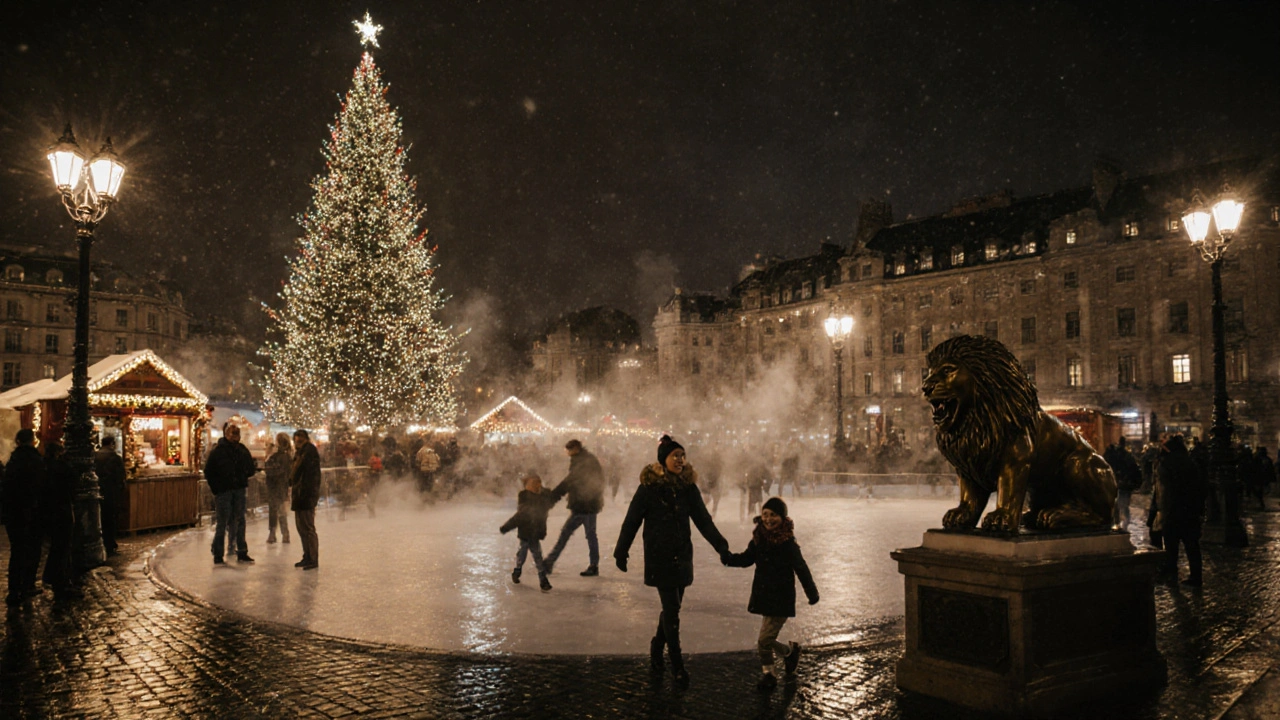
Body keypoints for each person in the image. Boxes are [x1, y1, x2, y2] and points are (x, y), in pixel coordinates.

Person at [615, 435, 730, 689]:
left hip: (682, 555)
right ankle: (676, 664)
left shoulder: (688, 487)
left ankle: (657, 645)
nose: (680, 460)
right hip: (659, 557)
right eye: (674, 455)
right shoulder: (649, 487)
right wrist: (621, 551)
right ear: (663, 459)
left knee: (672, 608)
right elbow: (632, 519)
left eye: (682, 455)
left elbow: (703, 521)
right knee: (672, 610)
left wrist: (721, 546)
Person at [723, 497, 819, 692]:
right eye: (765, 514)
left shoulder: (788, 543)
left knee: (764, 641)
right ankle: (789, 653)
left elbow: (801, 568)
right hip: (765, 594)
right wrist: (729, 559)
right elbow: (747, 559)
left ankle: (769, 673)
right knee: (767, 638)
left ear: (782, 518)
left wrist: (812, 592)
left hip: (781, 597)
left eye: (773, 515)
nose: (768, 519)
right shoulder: (759, 539)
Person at [544, 439, 606, 577]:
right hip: (585, 504)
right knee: (588, 535)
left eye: (569, 450)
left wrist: (554, 496)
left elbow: (571, 481)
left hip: (585, 505)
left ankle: (550, 561)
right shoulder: (582, 459)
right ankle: (593, 565)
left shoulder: (584, 461)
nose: (568, 454)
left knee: (569, 534)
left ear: (576, 448)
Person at [1153, 435, 1207, 586]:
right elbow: (1200, 488)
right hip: (1190, 511)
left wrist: (1160, 511)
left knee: (1171, 547)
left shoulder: (1166, 464)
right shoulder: (1191, 463)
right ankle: (1196, 577)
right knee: (1192, 546)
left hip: (1172, 511)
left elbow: (1162, 492)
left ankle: (1172, 576)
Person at [203, 422, 257, 564]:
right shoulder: (218, 451)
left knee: (240, 521)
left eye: (237, 434)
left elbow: (251, 468)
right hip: (224, 491)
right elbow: (208, 471)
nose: (235, 437)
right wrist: (217, 488)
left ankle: (241, 551)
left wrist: (243, 475)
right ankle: (218, 553)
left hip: (238, 490)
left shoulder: (242, 450)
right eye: (232, 433)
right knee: (223, 522)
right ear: (226, 434)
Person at [499, 473, 560, 592]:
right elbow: (520, 515)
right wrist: (506, 527)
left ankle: (542, 580)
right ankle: (518, 571)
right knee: (523, 552)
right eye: (530, 483)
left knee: (537, 555)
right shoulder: (524, 496)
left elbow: (550, 500)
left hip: (536, 532)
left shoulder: (543, 497)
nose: (533, 486)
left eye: (536, 483)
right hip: (526, 531)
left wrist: (542, 490)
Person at [3, 429, 42, 605]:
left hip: (14, 513)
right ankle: (27, 585)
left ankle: (14, 590)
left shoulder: (12, 461)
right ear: (32, 441)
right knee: (32, 549)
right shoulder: (35, 460)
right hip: (32, 511)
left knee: (17, 551)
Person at [40, 441, 81, 600]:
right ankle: (60, 582)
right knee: (62, 547)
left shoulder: (44, 466)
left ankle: (53, 578)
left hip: (48, 512)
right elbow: (72, 484)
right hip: (62, 510)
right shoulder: (61, 468)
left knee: (56, 547)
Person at [290, 429, 322, 570]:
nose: (297, 442)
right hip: (299, 494)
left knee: (308, 528)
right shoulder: (300, 452)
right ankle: (307, 555)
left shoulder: (308, 452)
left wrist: (309, 493)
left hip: (306, 494)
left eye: (299, 439)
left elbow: (309, 476)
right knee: (301, 528)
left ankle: (312, 558)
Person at [94, 435, 127, 556]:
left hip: (97, 491)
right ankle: (110, 543)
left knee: (100, 518)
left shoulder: (95, 456)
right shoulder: (115, 457)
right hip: (111, 492)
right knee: (110, 519)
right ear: (112, 443)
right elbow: (121, 476)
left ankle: (100, 542)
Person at [1104, 437, 1141, 530]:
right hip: (1124, 484)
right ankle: (1124, 524)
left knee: (1119, 504)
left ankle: (1120, 523)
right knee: (1123, 505)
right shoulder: (1127, 455)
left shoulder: (1113, 455)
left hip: (1120, 483)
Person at [264, 433, 293, 544]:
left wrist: (269, 455)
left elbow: (271, 470)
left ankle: (274, 533)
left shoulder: (278, 456)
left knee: (275, 510)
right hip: (282, 487)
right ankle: (284, 534)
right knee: (281, 511)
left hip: (275, 487)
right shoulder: (288, 456)